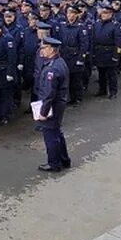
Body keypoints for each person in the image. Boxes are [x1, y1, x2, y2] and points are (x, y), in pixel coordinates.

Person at [34, 37, 71, 172]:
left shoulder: (52, 69)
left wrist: (43, 112)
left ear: (52, 50)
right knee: (56, 133)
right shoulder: (58, 62)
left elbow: (49, 94)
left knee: (50, 135)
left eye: (44, 48)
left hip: (52, 106)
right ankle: (64, 159)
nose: (41, 51)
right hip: (58, 103)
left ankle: (54, 163)